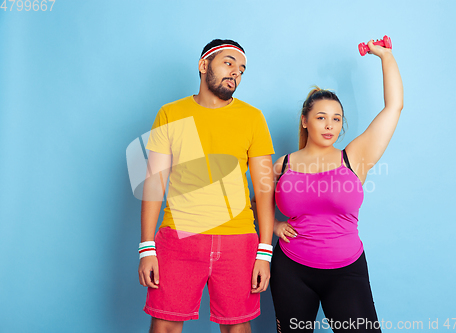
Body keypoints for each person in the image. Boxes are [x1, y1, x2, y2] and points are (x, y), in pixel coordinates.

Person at [138, 39, 275, 333]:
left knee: (237, 327)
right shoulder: (170, 113)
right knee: (164, 325)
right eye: (228, 63)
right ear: (203, 66)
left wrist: (265, 252)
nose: (235, 73)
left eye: (241, 70)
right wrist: (146, 248)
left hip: (238, 240)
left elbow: (264, 189)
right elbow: (153, 184)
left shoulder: (252, 118)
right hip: (178, 238)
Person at [269, 40, 403, 332]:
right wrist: (274, 227)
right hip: (290, 269)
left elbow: (394, 107)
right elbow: (257, 201)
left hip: (346, 271)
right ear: (305, 121)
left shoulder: (354, 157)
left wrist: (386, 56)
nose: (329, 125)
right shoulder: (283, 165)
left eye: (336, 119)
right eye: (321, 117)